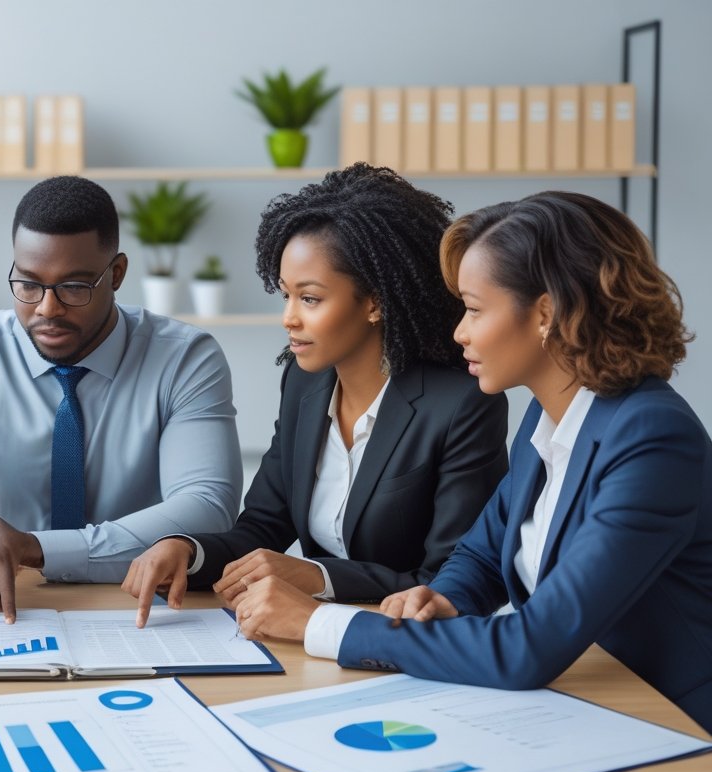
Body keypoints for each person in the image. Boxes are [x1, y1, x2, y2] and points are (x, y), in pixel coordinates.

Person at [230, 191, 712, 733]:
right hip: (590, 699)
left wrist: (321, 623)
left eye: (475, 310)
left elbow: (529, 648)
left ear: (546, 314)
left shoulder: (651, 438)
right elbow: (481, 558)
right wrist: (442, 599)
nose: (458, 330)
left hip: (673, 719)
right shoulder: (548, 418)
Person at [123, 163, 508, 627]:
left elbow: (446, 582)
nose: (288, 318)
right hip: (302, 635)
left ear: (374, 303)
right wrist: (187, 549)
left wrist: (316, 575)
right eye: (285, 295)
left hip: (396, 643)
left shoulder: (460, 404)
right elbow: (262, 527)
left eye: (309, 298)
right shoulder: (305, 384)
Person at [0, 175, 242, 622]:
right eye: (28, 284)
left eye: (74, 287)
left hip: (141, 605)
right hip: (4, 608)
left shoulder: (183, 358)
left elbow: (208, 507)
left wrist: (34, 547)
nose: (46, 309)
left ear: (116, 274)